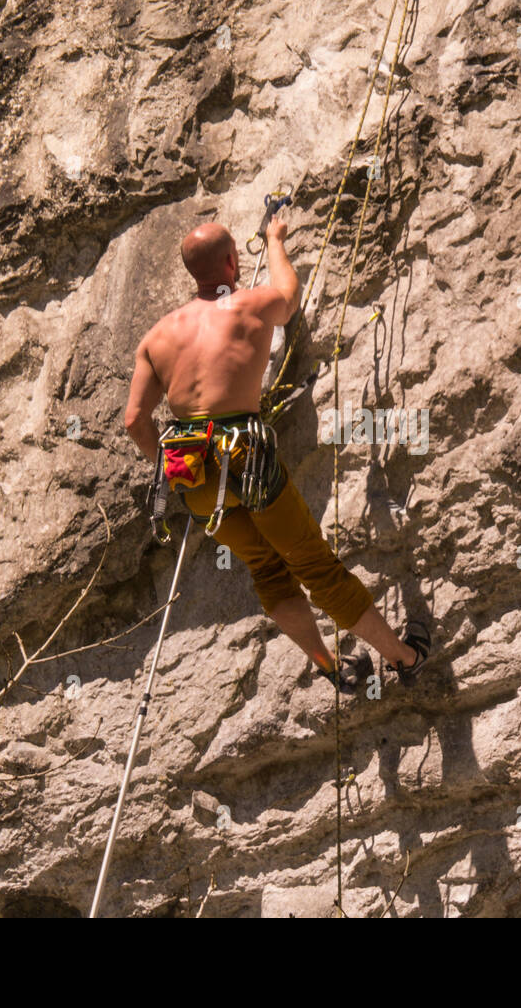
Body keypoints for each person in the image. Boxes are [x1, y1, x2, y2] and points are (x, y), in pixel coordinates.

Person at [124, 209, 430, 692]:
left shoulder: (157, 338)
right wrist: (274, 239)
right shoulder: (245, 305)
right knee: (313, 567)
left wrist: (165, 464)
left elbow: (134, 421)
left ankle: (332, 668)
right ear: (231, 261)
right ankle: (405, 658)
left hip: (195, 476)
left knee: (267, 571)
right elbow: (288, 299)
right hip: (247, 463)